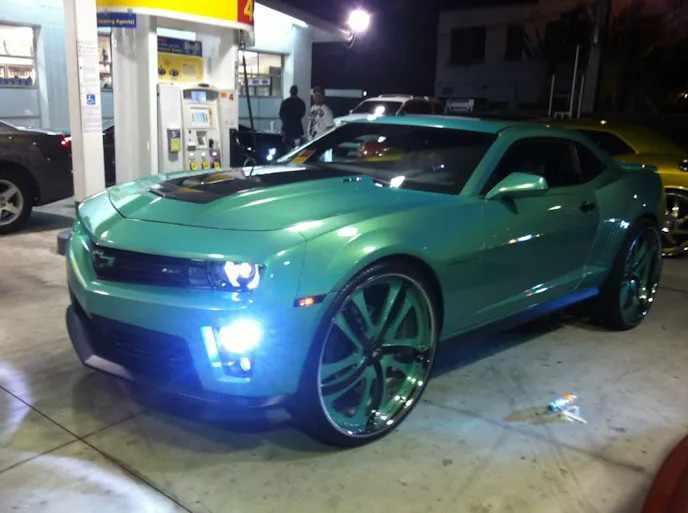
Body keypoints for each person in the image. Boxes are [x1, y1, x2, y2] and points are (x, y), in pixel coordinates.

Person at [279, 85, 306, 149]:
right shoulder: (301, 102)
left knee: (287, 148)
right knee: (297, 148)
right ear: (297, 92)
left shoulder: (285, 102)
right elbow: (302, 114)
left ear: (290, 92)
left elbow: (281, 114)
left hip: (287, 130)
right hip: (297, 129)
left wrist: (285, 122)